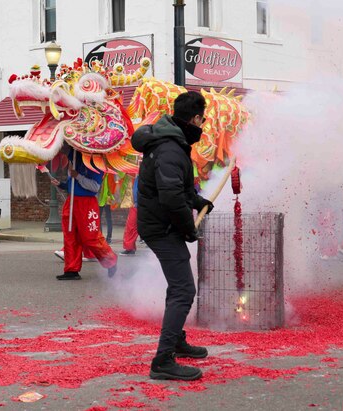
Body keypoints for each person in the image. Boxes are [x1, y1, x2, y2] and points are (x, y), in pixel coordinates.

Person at [131, 91, 214, 381]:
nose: (203, 124)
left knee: (177, 285)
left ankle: (176, 341)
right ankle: (163, 360)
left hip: (162, 224)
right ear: (194, 118)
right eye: (202, 119)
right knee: (183, 290)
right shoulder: (169, 148)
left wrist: (198, 201)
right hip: (161, 227)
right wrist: (188, 229)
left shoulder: (173, 144)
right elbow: (169, 197)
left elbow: (180, 189)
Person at [49, 148, 118, 280]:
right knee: (70, 236)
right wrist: (62, 185)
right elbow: (73, 184)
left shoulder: (96, 161)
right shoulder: (74, 158)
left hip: (86, 203)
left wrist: (77, 176)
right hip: (72, 201)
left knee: (90, 237)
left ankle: (111, 260)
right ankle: (71, 269)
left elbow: (94, 187)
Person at [120, 177, 139, 256]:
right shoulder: (136, 177)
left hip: (139, 205)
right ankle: (130, 247)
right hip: (136, 204)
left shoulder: (143, 176)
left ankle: (130, 248)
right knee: (131, 226)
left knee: (131, 226)